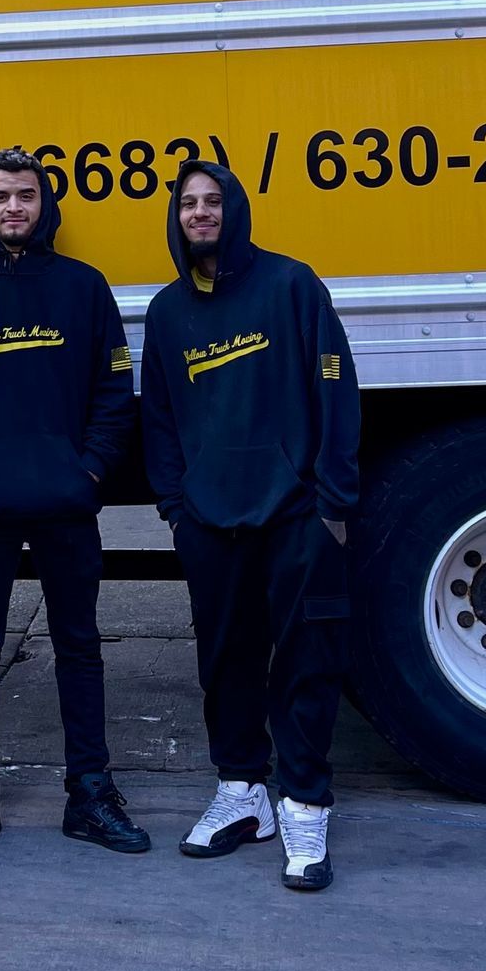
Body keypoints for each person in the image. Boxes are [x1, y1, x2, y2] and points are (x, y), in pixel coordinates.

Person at [0, 146, 148, 857]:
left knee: (79, 649)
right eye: (0, 196)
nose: (14, 206)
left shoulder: (83, 286)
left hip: (65, 503)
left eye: (26, 195)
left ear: (44, 205)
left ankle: (90, 796)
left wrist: (89, 472)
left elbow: (114, 392)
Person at [141, 161, 360, 892]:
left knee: (306, 665)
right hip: (210, 520)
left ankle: (303, 805)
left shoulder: (292, 285)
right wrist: (177, 507)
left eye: (212, 202)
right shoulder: (169, 312)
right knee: (225, 660)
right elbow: (161, 418)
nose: (200, 214)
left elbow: (336, 388)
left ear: (234, 209)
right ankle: (242, 794)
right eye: (188, 205)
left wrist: (332, 503)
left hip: (296, 514)